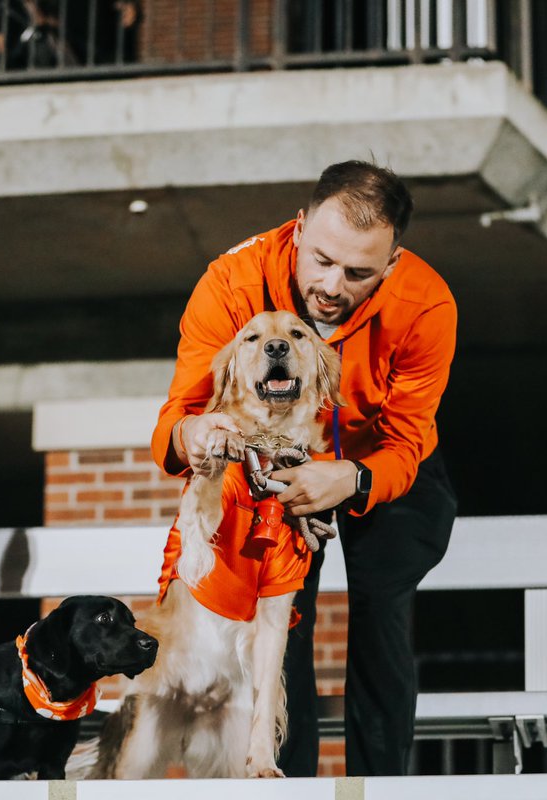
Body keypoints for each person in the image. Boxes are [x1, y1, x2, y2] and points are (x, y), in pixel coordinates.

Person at [151, 161, 458, 776]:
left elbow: (405, 440)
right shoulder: (232, 281)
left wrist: (353, 478)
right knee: (283, 614)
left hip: (381, 458)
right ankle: (282, 780)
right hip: (269, 455)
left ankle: (381, 786)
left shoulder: (427, 303)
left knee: (384, 605)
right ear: (298, 229)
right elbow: (177, 420)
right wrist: (196, 435)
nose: (332, 285)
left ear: (392, 263)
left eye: (358, 272)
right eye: (321, 259)